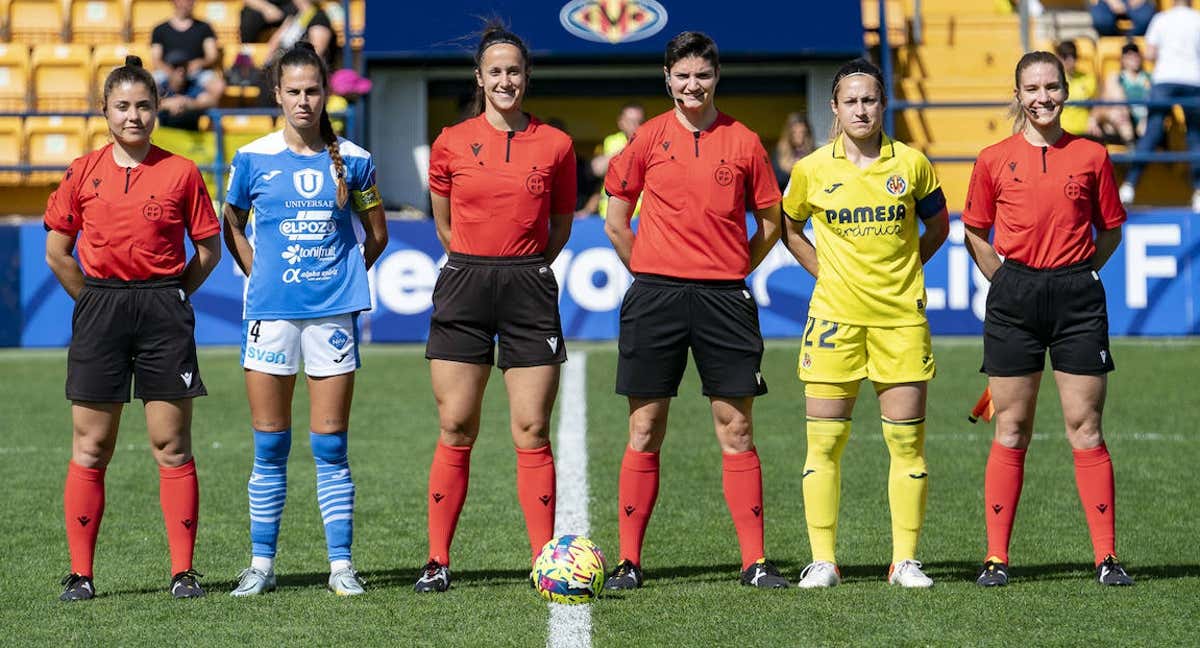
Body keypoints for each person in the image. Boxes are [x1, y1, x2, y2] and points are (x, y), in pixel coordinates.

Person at [602, 31, 786, 591]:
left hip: (724, 299)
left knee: (736, 428)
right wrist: (652, 271)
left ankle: (754, 561)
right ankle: (629, 562)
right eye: (682, 76)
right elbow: (616, 220)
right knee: (645, 426)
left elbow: (772, 225)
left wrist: (731, 272)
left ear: (716, 77)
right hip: (655, 296)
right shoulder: (647, 139)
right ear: (667, 79)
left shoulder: (746, 141)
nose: (692, 85)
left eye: (701, 75)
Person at [45, 56, 222, 601]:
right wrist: (95, 300)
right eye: (122, 106)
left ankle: (183, 572)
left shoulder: (182, 171)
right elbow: (57, 251)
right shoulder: (82, 170)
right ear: (104, 111)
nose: (134, 116)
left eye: (144, 105)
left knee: (171, 444)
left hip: (163, 313)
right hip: (101, 311)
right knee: (92, 445)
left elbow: (208, 251)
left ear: (158, 110)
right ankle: (81, 575)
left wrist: (170, 297)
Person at [222, 42, 388, 597]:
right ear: (276, 94)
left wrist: (339, 279)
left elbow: (377, 235)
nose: (303, 101)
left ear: (326, 93)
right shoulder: (250, 158)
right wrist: (258, 274)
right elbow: (234, 224)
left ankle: (341, 566)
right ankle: (261, 566)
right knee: (269, 445)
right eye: (292, 91)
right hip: (269, 314)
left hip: (331, 320)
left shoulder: (356, 158)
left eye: (312, 90)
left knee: (330, 444)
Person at [962, 50, 1134, 587]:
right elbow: (975, 230)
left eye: (1051, 87)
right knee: (1010, 427)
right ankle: (997, 558)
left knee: (1085, 427)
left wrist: (1076, 275)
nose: (1043, 98)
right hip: (1014, 299)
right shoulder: (993, 158)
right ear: (1017, 96)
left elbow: (1109, 229)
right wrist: (1008, 281)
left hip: (1077, 300)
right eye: (1032, 89)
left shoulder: (1092, 155)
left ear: (1065, 90)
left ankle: (1106, 558)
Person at [416, 23, 576, 594]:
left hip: (528, 287)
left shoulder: (556, 144)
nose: (505, 80)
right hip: (465, 284)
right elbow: (443, 220)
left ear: (526, 76)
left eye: (514, 70)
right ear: (479, 79)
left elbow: (561, 224)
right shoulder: (451, 141)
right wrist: (475, 262)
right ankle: (438, 560)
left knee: (532, 428)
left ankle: (544, 562)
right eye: (495, 72)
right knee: (456, 425)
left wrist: (527, 265)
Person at [779, 58, 949, 590]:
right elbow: (789, 227)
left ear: (883, 104)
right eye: (850, 101)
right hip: (834, 322)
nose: (861, 109)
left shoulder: (914, 165)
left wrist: (904, 271)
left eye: (870, 100)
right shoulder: (811, 169)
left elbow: (939, 225)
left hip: (900, 321)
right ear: (834, 108)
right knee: (824, 445)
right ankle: (824, 560)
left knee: (906, 446)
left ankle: (905, 561)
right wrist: (823, 272)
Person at [1118, 0, 1200, 212]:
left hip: (1164, 79)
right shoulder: (1197, 19)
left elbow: (1151, 54)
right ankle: (1199, 191)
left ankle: (1130, 185)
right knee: (1195, 136)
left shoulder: (1161, 19)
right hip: (1193, 81)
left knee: (1152, 131)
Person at [150, 0, 225, 106]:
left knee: (218, 86)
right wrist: (171, 73)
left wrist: (198, 63)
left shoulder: (204, 27)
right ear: (173, 2)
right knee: (147, 86)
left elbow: (212, 55)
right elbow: (156, 59)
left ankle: (194, 107)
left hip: (197, 72)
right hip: (167, 71)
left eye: (188, 1)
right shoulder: (160, 29)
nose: (184, 3)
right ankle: (165, 107)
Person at [590, 102, 645, 218]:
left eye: (639, 122)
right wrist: (628, 148)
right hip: (609, 215)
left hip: (641, 217)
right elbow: (597, 169)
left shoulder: (650, 143)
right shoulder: (611, 141)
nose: (635, 126)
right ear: (621, 122)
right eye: (630, 122)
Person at [1100, 42, 1151, 145]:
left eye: (1136, 55)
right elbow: (1104, 103)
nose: (1134, 58)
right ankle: (1130, 147)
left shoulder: (1148, 77)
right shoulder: (1117, 78)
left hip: (1144, 117)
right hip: (1123, 117)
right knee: (1119, 115)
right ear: (1123, 59)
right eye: (1129, 56)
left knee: (1147, 122)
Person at [157, 49, 221, 131]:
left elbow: (211, 101)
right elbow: (144, 104)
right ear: (168, 69)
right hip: (163, 140)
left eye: (184, 66)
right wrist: (166, 104)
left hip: (191, 141)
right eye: (175, 66)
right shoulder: (161, 87)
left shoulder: (193, 85)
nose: (181, 70)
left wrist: (188, 103)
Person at [1056, 41, 1101, 140]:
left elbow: (1099, 104)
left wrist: (1093, 119)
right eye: (1065, 56)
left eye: (1073, 56)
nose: (1070, 60)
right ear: (1058, 58)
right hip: (1059, 132)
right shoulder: (1052, 81)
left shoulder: (1089, 78)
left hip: (1085, 131)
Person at [773, 111, 815, 189]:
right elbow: (776, 180)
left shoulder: (813, 153)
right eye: (795, 133)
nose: (799, 136)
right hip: (786, 197)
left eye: (802, 132)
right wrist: (791, 170)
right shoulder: (780, 152)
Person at [1090, 0, 1155, 37]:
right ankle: (1113, 38)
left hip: (1138, 4)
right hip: (1107, 3)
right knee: (1101, 20)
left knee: (1144, 18)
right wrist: (1113, 2)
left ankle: (1130, 39)